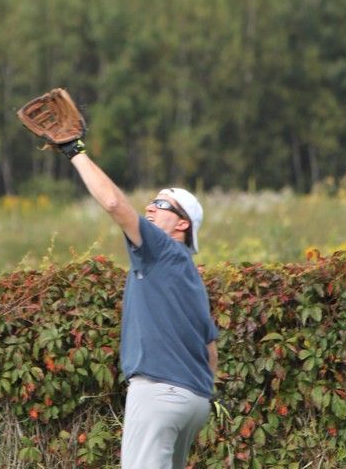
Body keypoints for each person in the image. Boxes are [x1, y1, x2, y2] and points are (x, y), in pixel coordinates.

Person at [57, 137, 218, 469]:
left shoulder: (161, 249)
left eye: (161, 204)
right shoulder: (190, 275)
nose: (149, 208)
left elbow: (114, 203)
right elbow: (210, 350)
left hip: (158, 393)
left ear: (182, 224)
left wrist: (74, 151)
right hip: (195, 400)